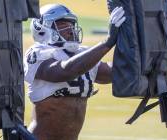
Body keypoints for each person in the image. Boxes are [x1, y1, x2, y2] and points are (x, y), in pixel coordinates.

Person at [24, 4, 126, 140]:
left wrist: (130, 41)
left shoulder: (82, 53)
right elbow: (63, 71)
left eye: (71, 25)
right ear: (41, 29)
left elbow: (115, 72)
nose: (70, 29)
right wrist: (106, 43)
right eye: (62, 25)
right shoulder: (38, 52)